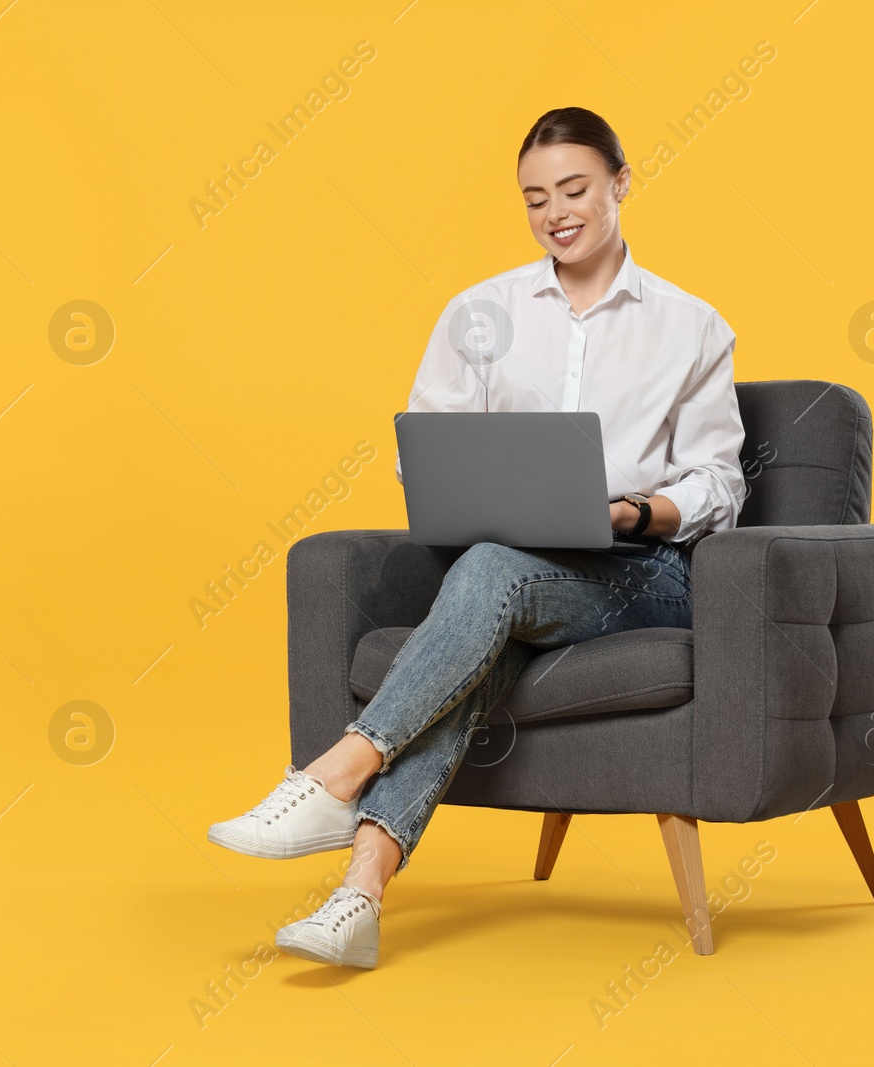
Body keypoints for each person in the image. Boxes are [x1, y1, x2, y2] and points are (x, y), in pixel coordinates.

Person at [207, 106, 748, 969]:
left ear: (621, 182)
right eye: (535, 198)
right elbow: (426, 449)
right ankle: (358, 896)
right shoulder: (479, 312)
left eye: (574, 189)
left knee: (490, 572)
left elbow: (721, 483)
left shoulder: (690, 326)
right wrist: (477, 490)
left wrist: (632, 513)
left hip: (638, 571)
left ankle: (334, 775)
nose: (555, 212)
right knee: (486, 622)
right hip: (512, 567)